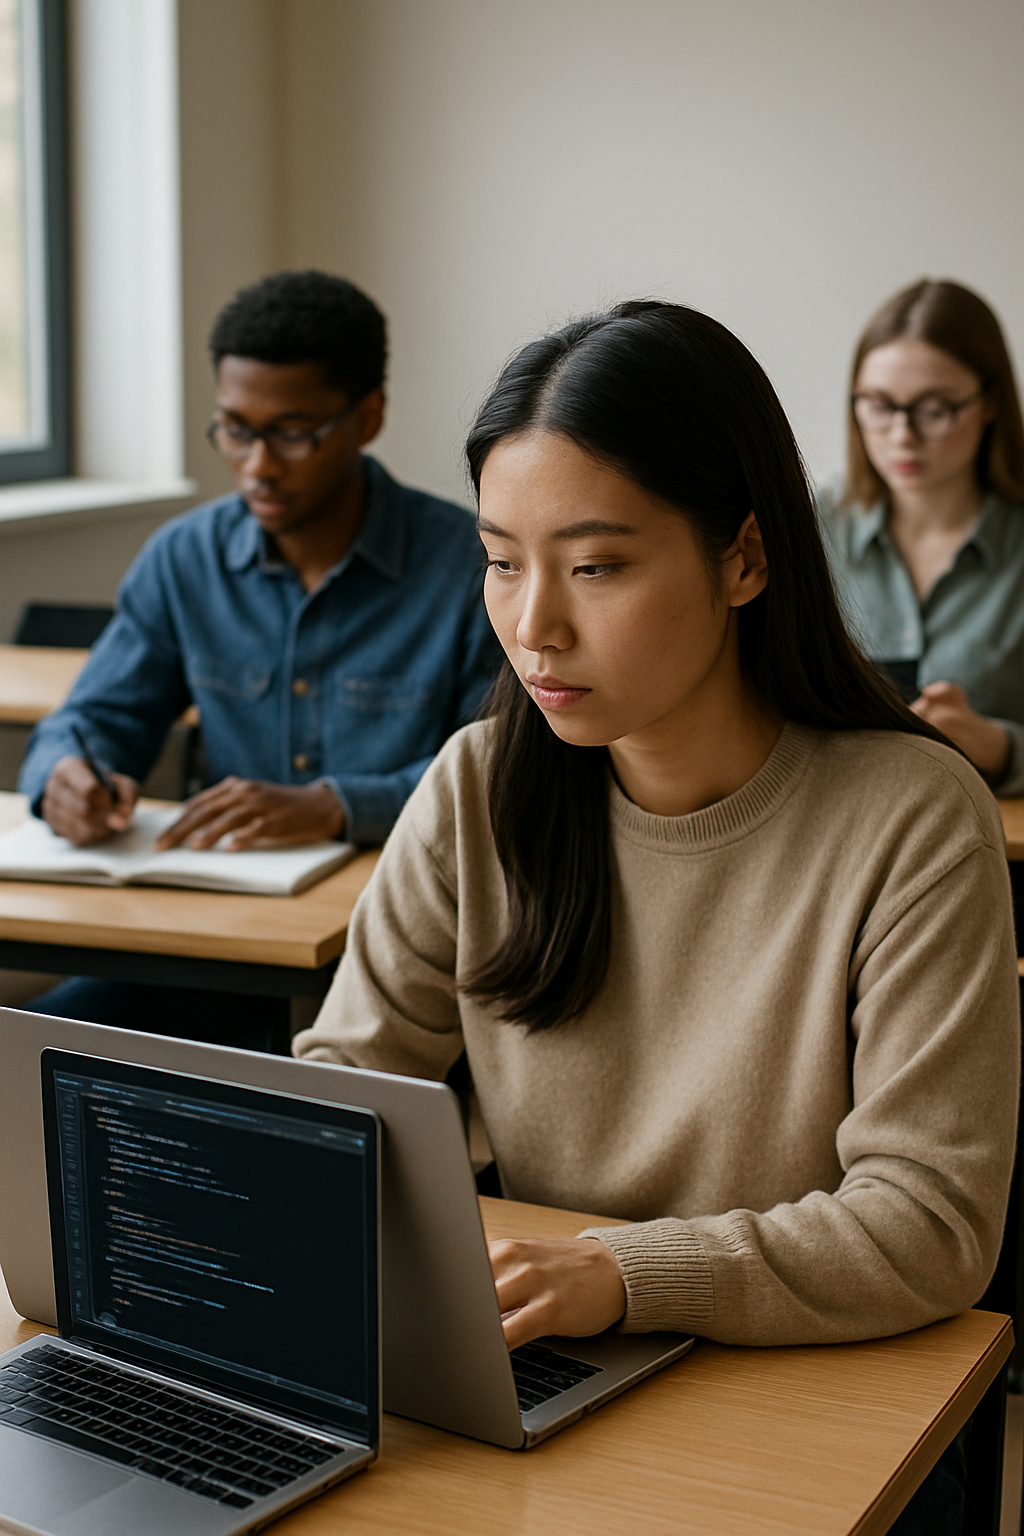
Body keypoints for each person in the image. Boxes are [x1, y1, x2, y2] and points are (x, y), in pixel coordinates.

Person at [293, 300, 1019, 1534]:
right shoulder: (479, 783)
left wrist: (620, 1274)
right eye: (500, 560)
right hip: (550, 1368)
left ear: (743, 558)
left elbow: (928, 1226)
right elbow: (345, 1094)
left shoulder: (910, 814)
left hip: (823, 1392)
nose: (534, 625)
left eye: (595, 566)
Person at [18, 269, 497, 1047]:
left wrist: (336, 805)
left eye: (293, 432)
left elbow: (500, 777)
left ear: (366, 417)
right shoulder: (185, 559)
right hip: (225, 947)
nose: (257, 466)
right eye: (236, 430)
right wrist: (69, 774)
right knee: (36, 1052)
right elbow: (95, 716)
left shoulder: (472, 568)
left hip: (412, 946)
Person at [817, 278, 1024, 793]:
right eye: (880, 406)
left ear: (990, 403)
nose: (902, 435)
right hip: (839, 834)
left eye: (935, 410)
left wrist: (996, 746)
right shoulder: (812, 526)